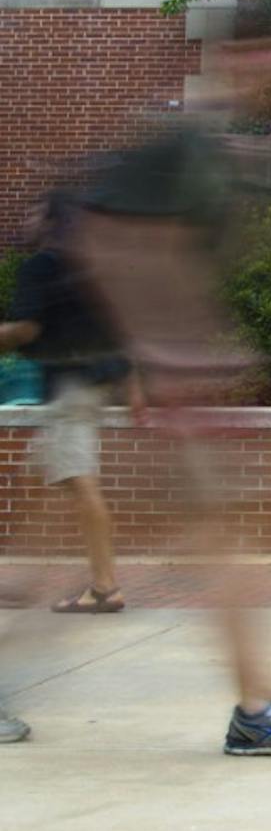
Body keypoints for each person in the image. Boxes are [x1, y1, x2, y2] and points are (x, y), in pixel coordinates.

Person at [71, 5, 271, 758]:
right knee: (225, 538)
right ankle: (257, 710)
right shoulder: (181, 142)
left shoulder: (221, 150)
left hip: (172, 380)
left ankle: (256, 704)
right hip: (162, 380)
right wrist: (163, 353)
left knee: (221, 532)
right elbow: (103, 239)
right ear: (245, 55)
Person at [0, 190, 140, 617]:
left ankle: (104, 587)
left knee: (79, 482)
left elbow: (25, 328)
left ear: (50, 221)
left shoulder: (42, 265)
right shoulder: (90, 268)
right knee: (41, 473)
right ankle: (24, 579)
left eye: (33, 214)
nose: (25, 221)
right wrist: (133, 385)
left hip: (70, 389)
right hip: (89, 385)